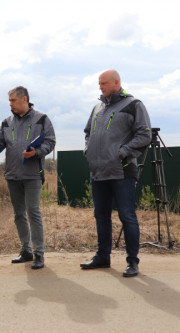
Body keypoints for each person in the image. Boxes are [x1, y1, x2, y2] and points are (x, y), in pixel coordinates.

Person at [80, 69, 151, 277]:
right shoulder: (97, 107)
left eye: (103, 83)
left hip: (122, 171)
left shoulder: (133, 105)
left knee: (127, 216)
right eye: (99, 83)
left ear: (116, 82)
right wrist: (88, 150)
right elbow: (87, 132)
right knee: (101, 216)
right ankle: (103, 256)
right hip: (99, 171)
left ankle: (132, 261)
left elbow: (144, 134)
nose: (100, 87)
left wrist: (123, 152)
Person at [0, 86, 55, 270]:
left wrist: (37, 152)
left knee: (33, 211)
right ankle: (26, 251)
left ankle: (39, 253)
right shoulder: (6, 122)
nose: (10, 104)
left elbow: (50, 141)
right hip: (12, 174)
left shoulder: (42, 119)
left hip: (32, 174)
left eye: (13, 100)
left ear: (24, 99)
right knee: (18, 214)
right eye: (9, 101)